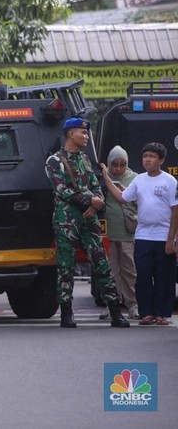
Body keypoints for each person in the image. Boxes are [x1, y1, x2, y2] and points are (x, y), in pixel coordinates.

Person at [45, 117, 129, 328]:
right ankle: (66, 313)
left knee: (102, 264)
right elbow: (61, 190)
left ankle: (115, 312)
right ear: (70, 134)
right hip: (67, 221)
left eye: (86, 132)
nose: (85, 136)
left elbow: (95, 184)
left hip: (89, 219)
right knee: (66, 267)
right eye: (82, 133)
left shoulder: (85, 159)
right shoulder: (54, 161)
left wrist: (97, 203)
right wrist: (88, 200)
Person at [102, 142, 178, 326]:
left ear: (161, 160)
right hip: (143, 235)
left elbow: (175, 210)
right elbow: (122, 197)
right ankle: (147, 313)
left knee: (163, 277)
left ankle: (162, 314)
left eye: (152, 156)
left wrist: (171, 239)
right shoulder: (139, 180)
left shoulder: (170, 181)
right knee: (142, 275)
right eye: (145, 156)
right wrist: (106, 178)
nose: (148, 159)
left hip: (163, 237)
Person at [99, 146, 139, 320]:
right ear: (109, 163)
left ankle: (133, 305)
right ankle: (111, 305)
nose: (118, 169)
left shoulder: (135, 178)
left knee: (129, 271)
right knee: (110, 271)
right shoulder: (101, 178)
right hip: (108, 233)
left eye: (122, 164)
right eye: (114, 164)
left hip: (127, 233)